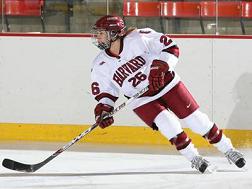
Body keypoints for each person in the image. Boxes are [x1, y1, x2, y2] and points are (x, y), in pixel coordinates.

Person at [90, 15, 246, 173]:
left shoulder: (139, 38)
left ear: (114, 33)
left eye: (101, 33)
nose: (96, 37)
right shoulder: (100, 64)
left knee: (196, 121)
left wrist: (161, 66)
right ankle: (194, 157)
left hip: (167, 84)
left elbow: (171, 47)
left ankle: (228, 149)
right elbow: (106, 93)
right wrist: (104, 110)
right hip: (141, 98)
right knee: (168, 125)